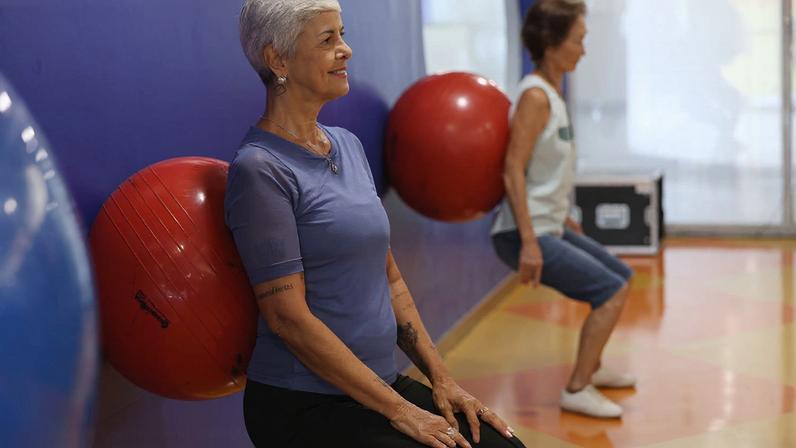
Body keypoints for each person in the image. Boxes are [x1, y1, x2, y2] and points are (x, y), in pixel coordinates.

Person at [225, 1, 527, 447]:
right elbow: (288, 319)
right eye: (327, 39)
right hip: (303, 404)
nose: (345, 49)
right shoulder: (260, 169)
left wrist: (442, 379)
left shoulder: (347, 146)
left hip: (378, 386)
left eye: (342, 34)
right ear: (278, 59)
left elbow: (391, 280)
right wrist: (403, 412)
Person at [491, 0, 635, 419]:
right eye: (578, 40)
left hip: (547, 222)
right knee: (609, 292)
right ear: (552, 43)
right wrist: (529, 243)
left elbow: (545, 171)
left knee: (622, 276)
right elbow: (513, 169)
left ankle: (593, 366)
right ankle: (577, 388)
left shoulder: (553, 93)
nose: (584, 50)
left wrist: (562, 214)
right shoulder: (535, 97)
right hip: (522, 232)